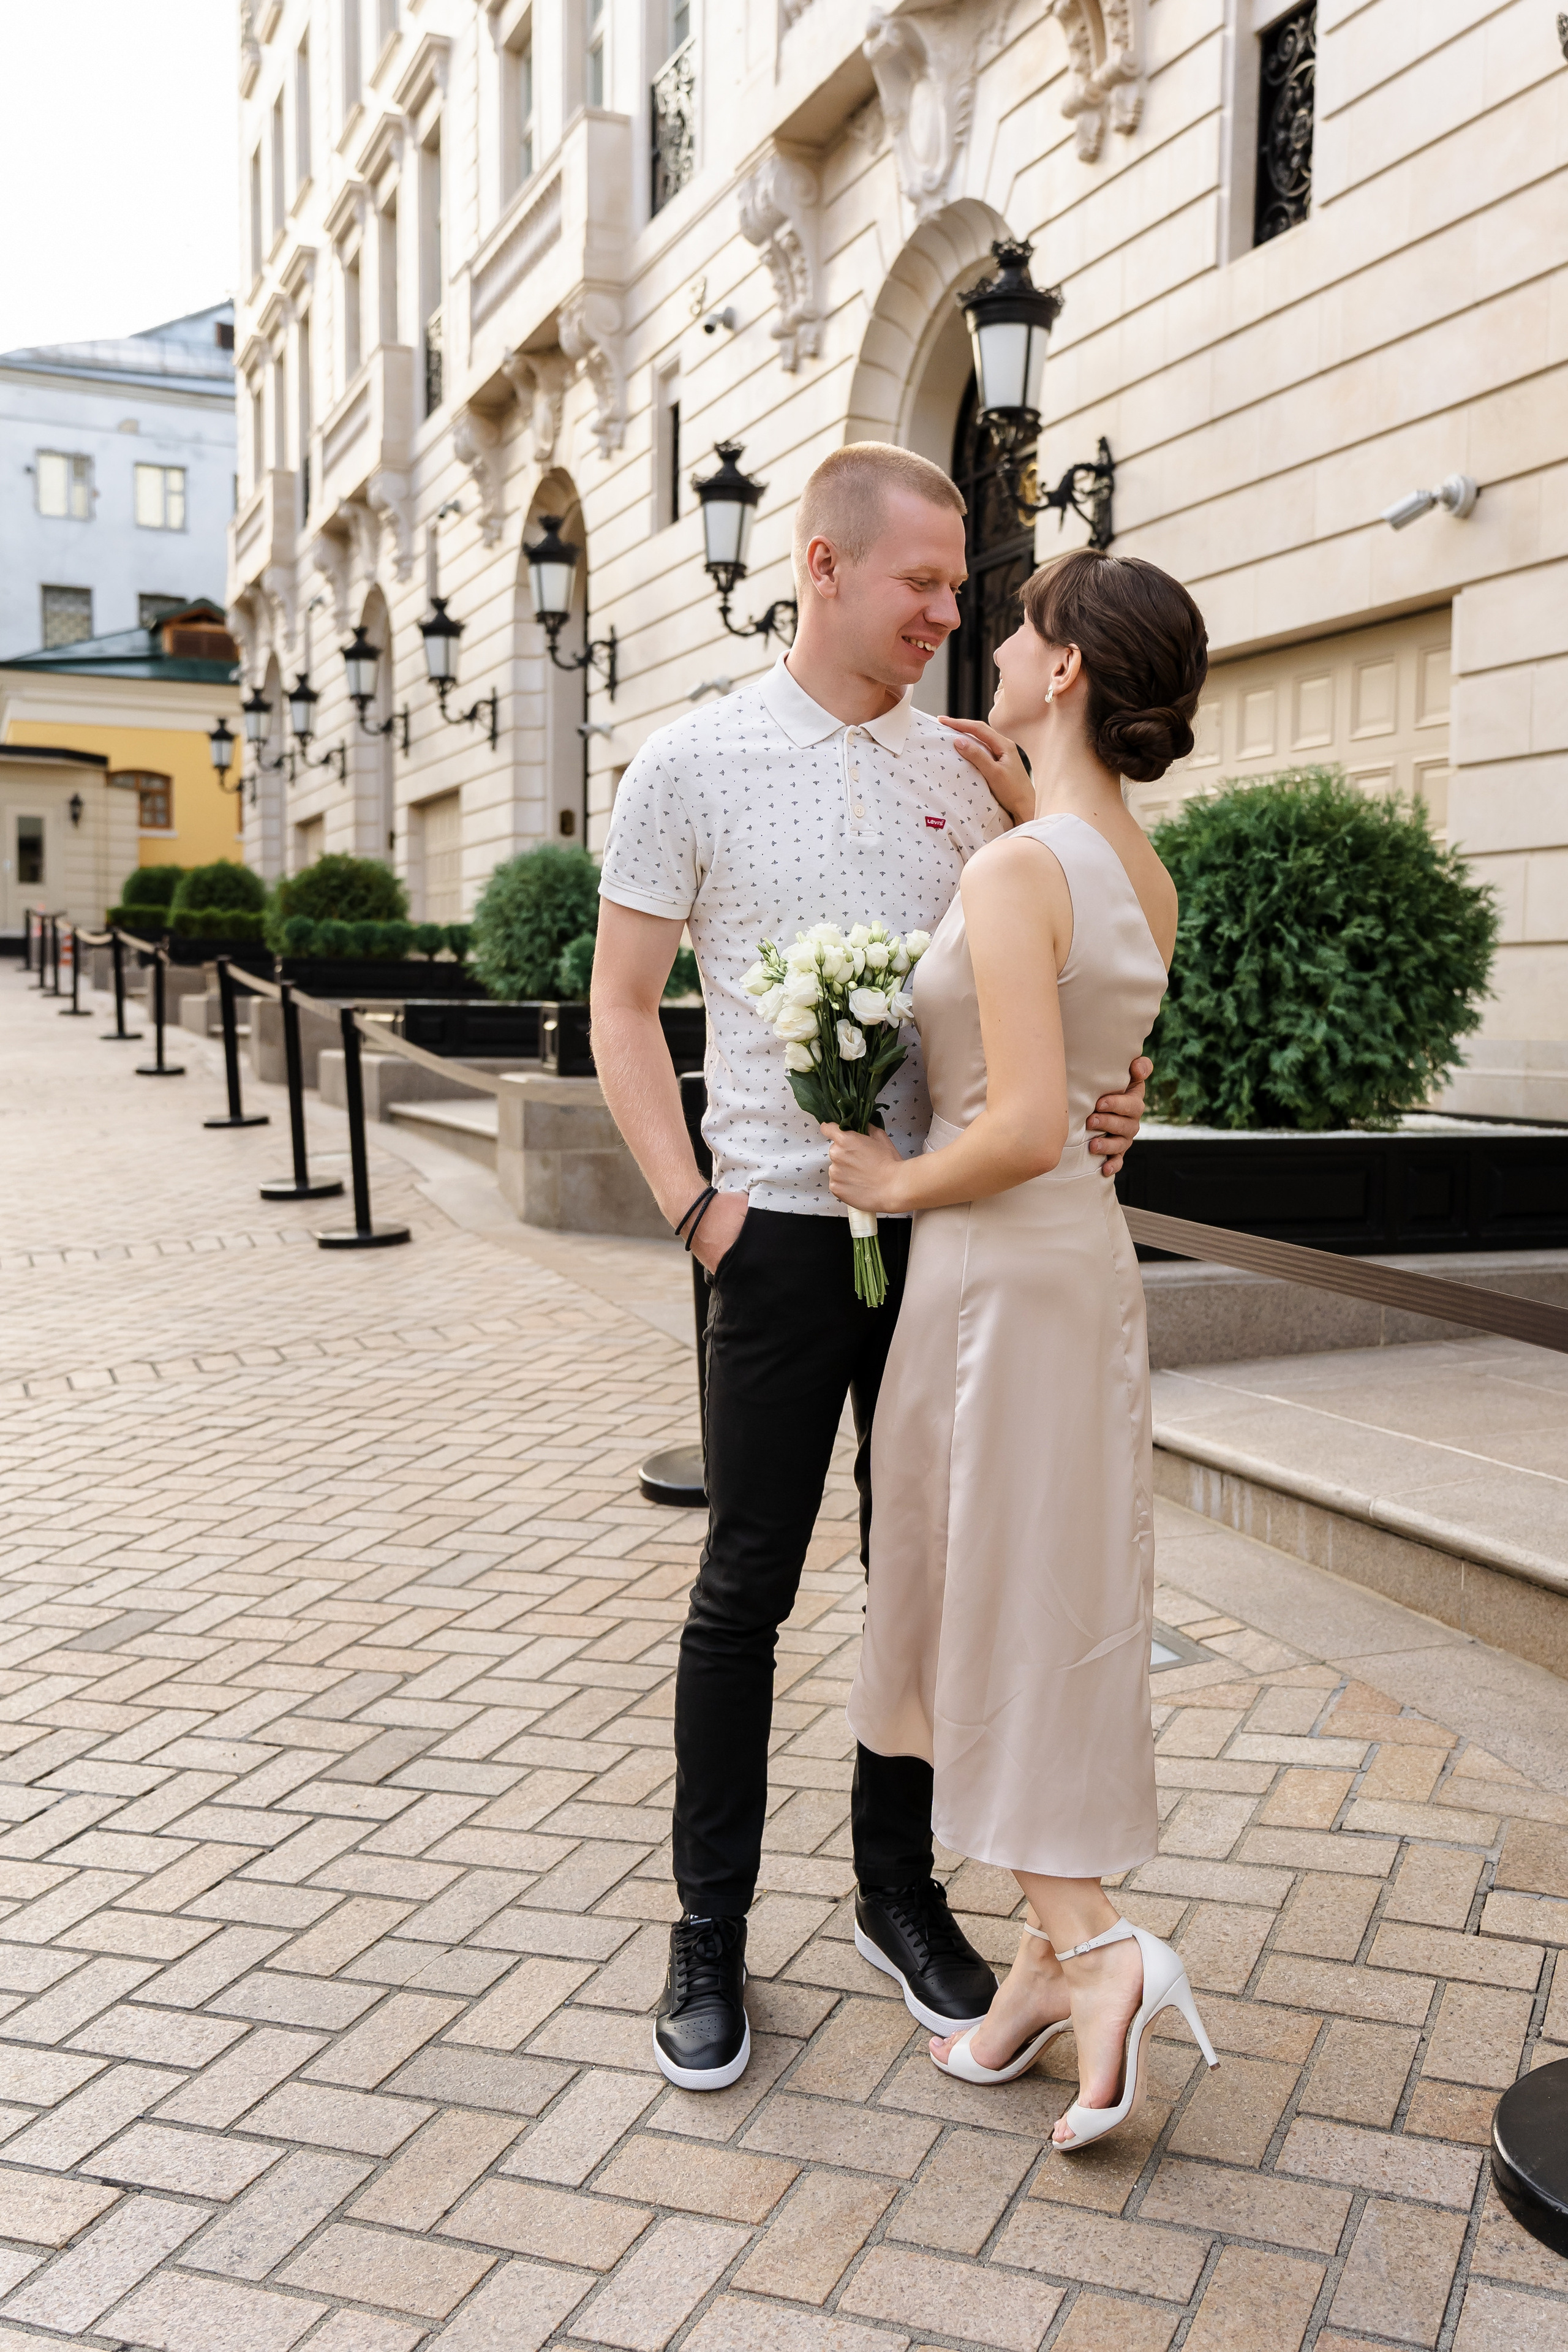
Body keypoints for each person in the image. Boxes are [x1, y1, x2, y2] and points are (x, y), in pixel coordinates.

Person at [591, 445, 1150, 2092]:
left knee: (925, 1580)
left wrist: (1118, 1103)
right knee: (744, 1592)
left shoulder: (985, 776)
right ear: (823, 566)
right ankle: (708, 1938)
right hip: (766, 1236)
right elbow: (627, 1007)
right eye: (918, 582)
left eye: (958, 591)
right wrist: (696, 1206)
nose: (941, 613)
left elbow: (1083, 959)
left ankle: (897, 1895)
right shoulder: (687, 762)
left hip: (947, 1248)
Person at [827, 547, 1219, 2149]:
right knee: (1036, 1601)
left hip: (991, 1273)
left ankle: (1103, 1950)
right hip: (1078, 1274)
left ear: (1063, 669)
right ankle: (1043, 1982)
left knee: (979, 1608)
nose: (988, 639)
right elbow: (1092, 1094)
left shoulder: (1015, 873)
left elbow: (1018, 1127)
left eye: (1019, 622)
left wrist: (887, 1177)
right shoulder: (1135, 865)